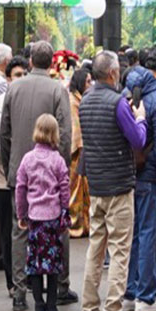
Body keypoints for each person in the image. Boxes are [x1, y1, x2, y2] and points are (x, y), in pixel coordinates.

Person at [0, 41, 75, 311]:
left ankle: (20, 291)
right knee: (58, 231)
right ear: (51, 62)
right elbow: (65, 133)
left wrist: (11, 163)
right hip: (51, 175)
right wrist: (61, 166)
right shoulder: (57, 90)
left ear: (30, 61)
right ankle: (62, 285)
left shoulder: (14, 88)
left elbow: (4, 131)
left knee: (20, 231)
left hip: (20, 168)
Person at [78, 51, 147, 311]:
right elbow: (138, 140)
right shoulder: (118, 103)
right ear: (113, 74)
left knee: (96, 248)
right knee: (120, 249)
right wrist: (140, 117)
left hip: (97, 185)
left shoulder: (85, 102)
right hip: (119, 185)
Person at [122, 47, 156, 311]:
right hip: (152, 177)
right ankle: (146, 295)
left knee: (133, 236)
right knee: (148, 235)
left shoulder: (125, 98)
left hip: (130, 174)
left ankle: (130, 291)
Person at [15, 114, 71, 311]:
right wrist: (65, 211)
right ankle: (52, 306)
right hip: (53, 219)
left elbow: (20, 188)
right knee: (53, 263)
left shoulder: (27, 159)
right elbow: (65, 187)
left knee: (35, 263)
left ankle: (39, 305)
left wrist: (21, 213)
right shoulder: (57, 160)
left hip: (35, 218)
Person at [0, 54, 27, 288]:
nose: (20, 79)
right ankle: (13, 281)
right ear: (8, 79)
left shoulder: (29, 102)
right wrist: (8, 144)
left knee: (25, 230)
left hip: (28, 180)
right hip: (3, 179)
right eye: (16, 75)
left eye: (23, 74)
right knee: (9, 232)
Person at [66, 66, 90, 238]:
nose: (91, 84)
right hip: (76, 154)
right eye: (88, 81)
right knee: (74, 190)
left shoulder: (79, 99)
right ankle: (74, 224)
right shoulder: (73, 101)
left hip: (82, 152)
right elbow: (76, 132)